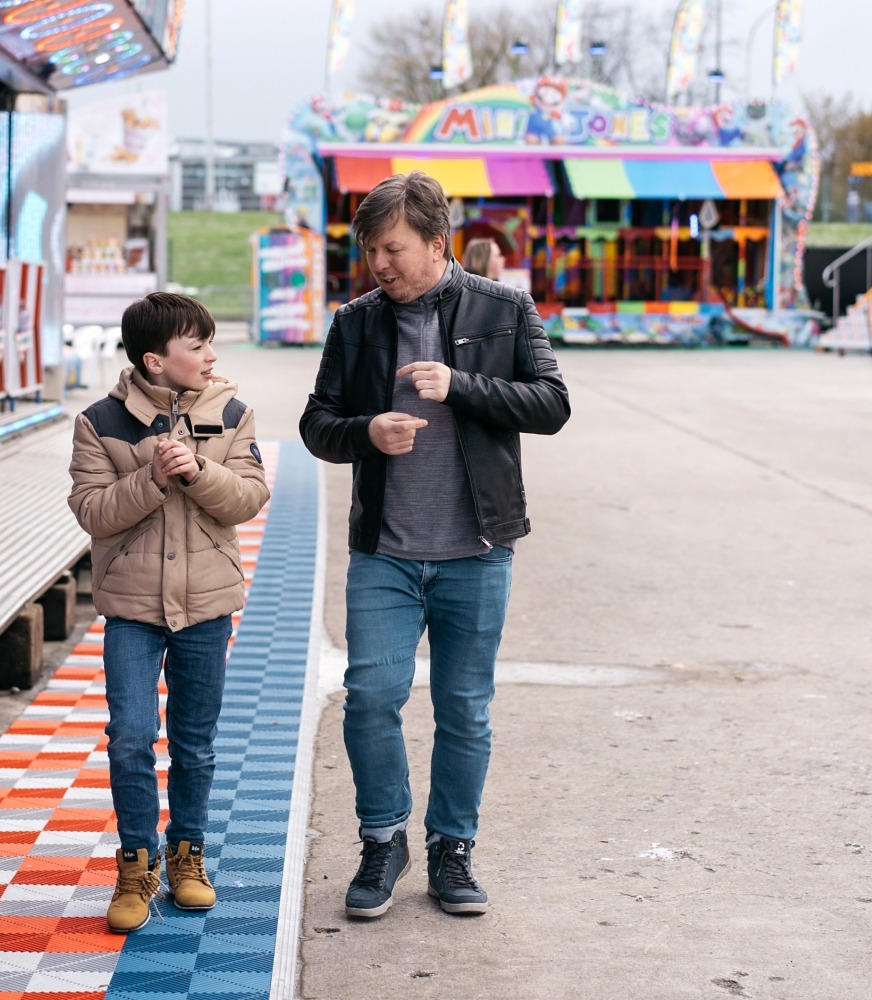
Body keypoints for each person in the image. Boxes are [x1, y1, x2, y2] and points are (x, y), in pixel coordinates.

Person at [300, 172, 569, 919]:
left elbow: (552, 405)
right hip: (384, 552)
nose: (378, 264)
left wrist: (461, 385)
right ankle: (383, 838)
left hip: (477, 551)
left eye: (392, 248)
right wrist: (365, 433)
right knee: (370, 699)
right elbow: (317, 422)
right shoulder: (355, 322)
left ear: (436, 243)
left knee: (464, 709)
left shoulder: (505, 308)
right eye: (370, 251)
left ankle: (453, 848)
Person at [67, 292, 270, 932]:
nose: (212, 355)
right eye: (197, 345)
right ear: (155, 361)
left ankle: (188, 856)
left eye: (211, 343)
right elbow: (92, 512)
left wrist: (197, 470)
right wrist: (152, 479)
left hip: (207, 602)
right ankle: (135, 864)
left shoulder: (233, 412)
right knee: (130, 736)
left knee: (195, 742)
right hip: (131, 604)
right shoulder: (99, 421)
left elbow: (248, 498)